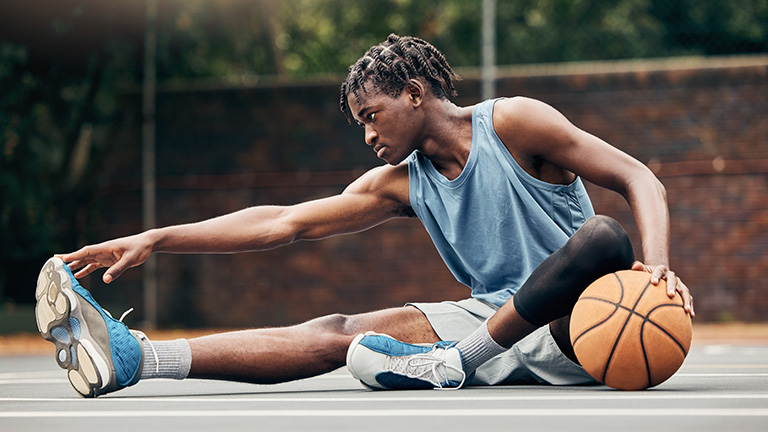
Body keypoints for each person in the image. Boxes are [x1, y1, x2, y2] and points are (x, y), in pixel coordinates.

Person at [34, 34, 693, 397]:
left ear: (415, 92)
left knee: (604, 236)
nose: (368, 136)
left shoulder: (516, 122)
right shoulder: (399, 185)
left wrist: (657, 270)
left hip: (581, 321)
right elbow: (285, 221)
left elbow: (639, 177)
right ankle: (138, 360)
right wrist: (158, 237)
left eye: (372, 116)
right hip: (495, 318)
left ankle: (456, 360)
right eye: (360, 125)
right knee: (340, 330)